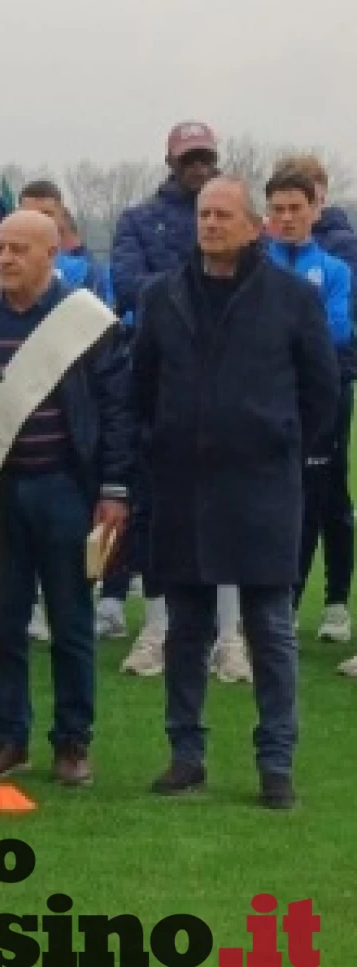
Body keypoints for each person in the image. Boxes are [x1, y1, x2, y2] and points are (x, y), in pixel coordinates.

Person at [132, 177, 337, 810]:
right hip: (183, 486)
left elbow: (321, 390)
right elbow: (142, 384)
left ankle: (276, 765)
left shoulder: (293, 300)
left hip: (261, 486)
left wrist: (278, 440)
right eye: (203, 214)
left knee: (269, 628)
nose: (210, 224)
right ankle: (185, 756)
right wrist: (165, 439)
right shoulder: (161, 296)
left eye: (223, 214)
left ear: (257, 228)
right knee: (185, 628)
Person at [0, 211, 133, 787]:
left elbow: (116, 410)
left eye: (18, 249)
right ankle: (8, 736)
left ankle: (72, 741)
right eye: (0, 248)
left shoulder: (86, 321)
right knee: (2, 619)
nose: (4, 258)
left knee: (70, 620)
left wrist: (113, 488)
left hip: (65, 486)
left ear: (52, 252)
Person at [111, 122, 219, 678]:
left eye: (206, 158)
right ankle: (156, 628)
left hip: (225, 380)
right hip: (158, 375)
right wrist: (196, 289)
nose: (198, 167)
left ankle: (229, 635)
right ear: (172, 162)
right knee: (153, 507)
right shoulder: (138, 219)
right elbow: (130, 286)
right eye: (189, 159)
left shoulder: (240, 219)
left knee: (229, 506)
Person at [264, 169, 354, 644]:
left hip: (323, 396)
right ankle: (271, 606)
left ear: (315, 210)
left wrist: (281, 331)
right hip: (265, 396)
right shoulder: (256, 261)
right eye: (278, 209)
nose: (287, 218)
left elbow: (339, 330)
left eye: (295, 208)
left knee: (323, 498)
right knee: (265, 498)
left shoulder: (336, 271)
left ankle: (332, 602)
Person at [18, 181, 114, 304]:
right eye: (30, 215)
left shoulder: (86, 273)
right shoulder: (2, 266)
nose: (39, 221)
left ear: (61, 215)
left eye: (47, 214)